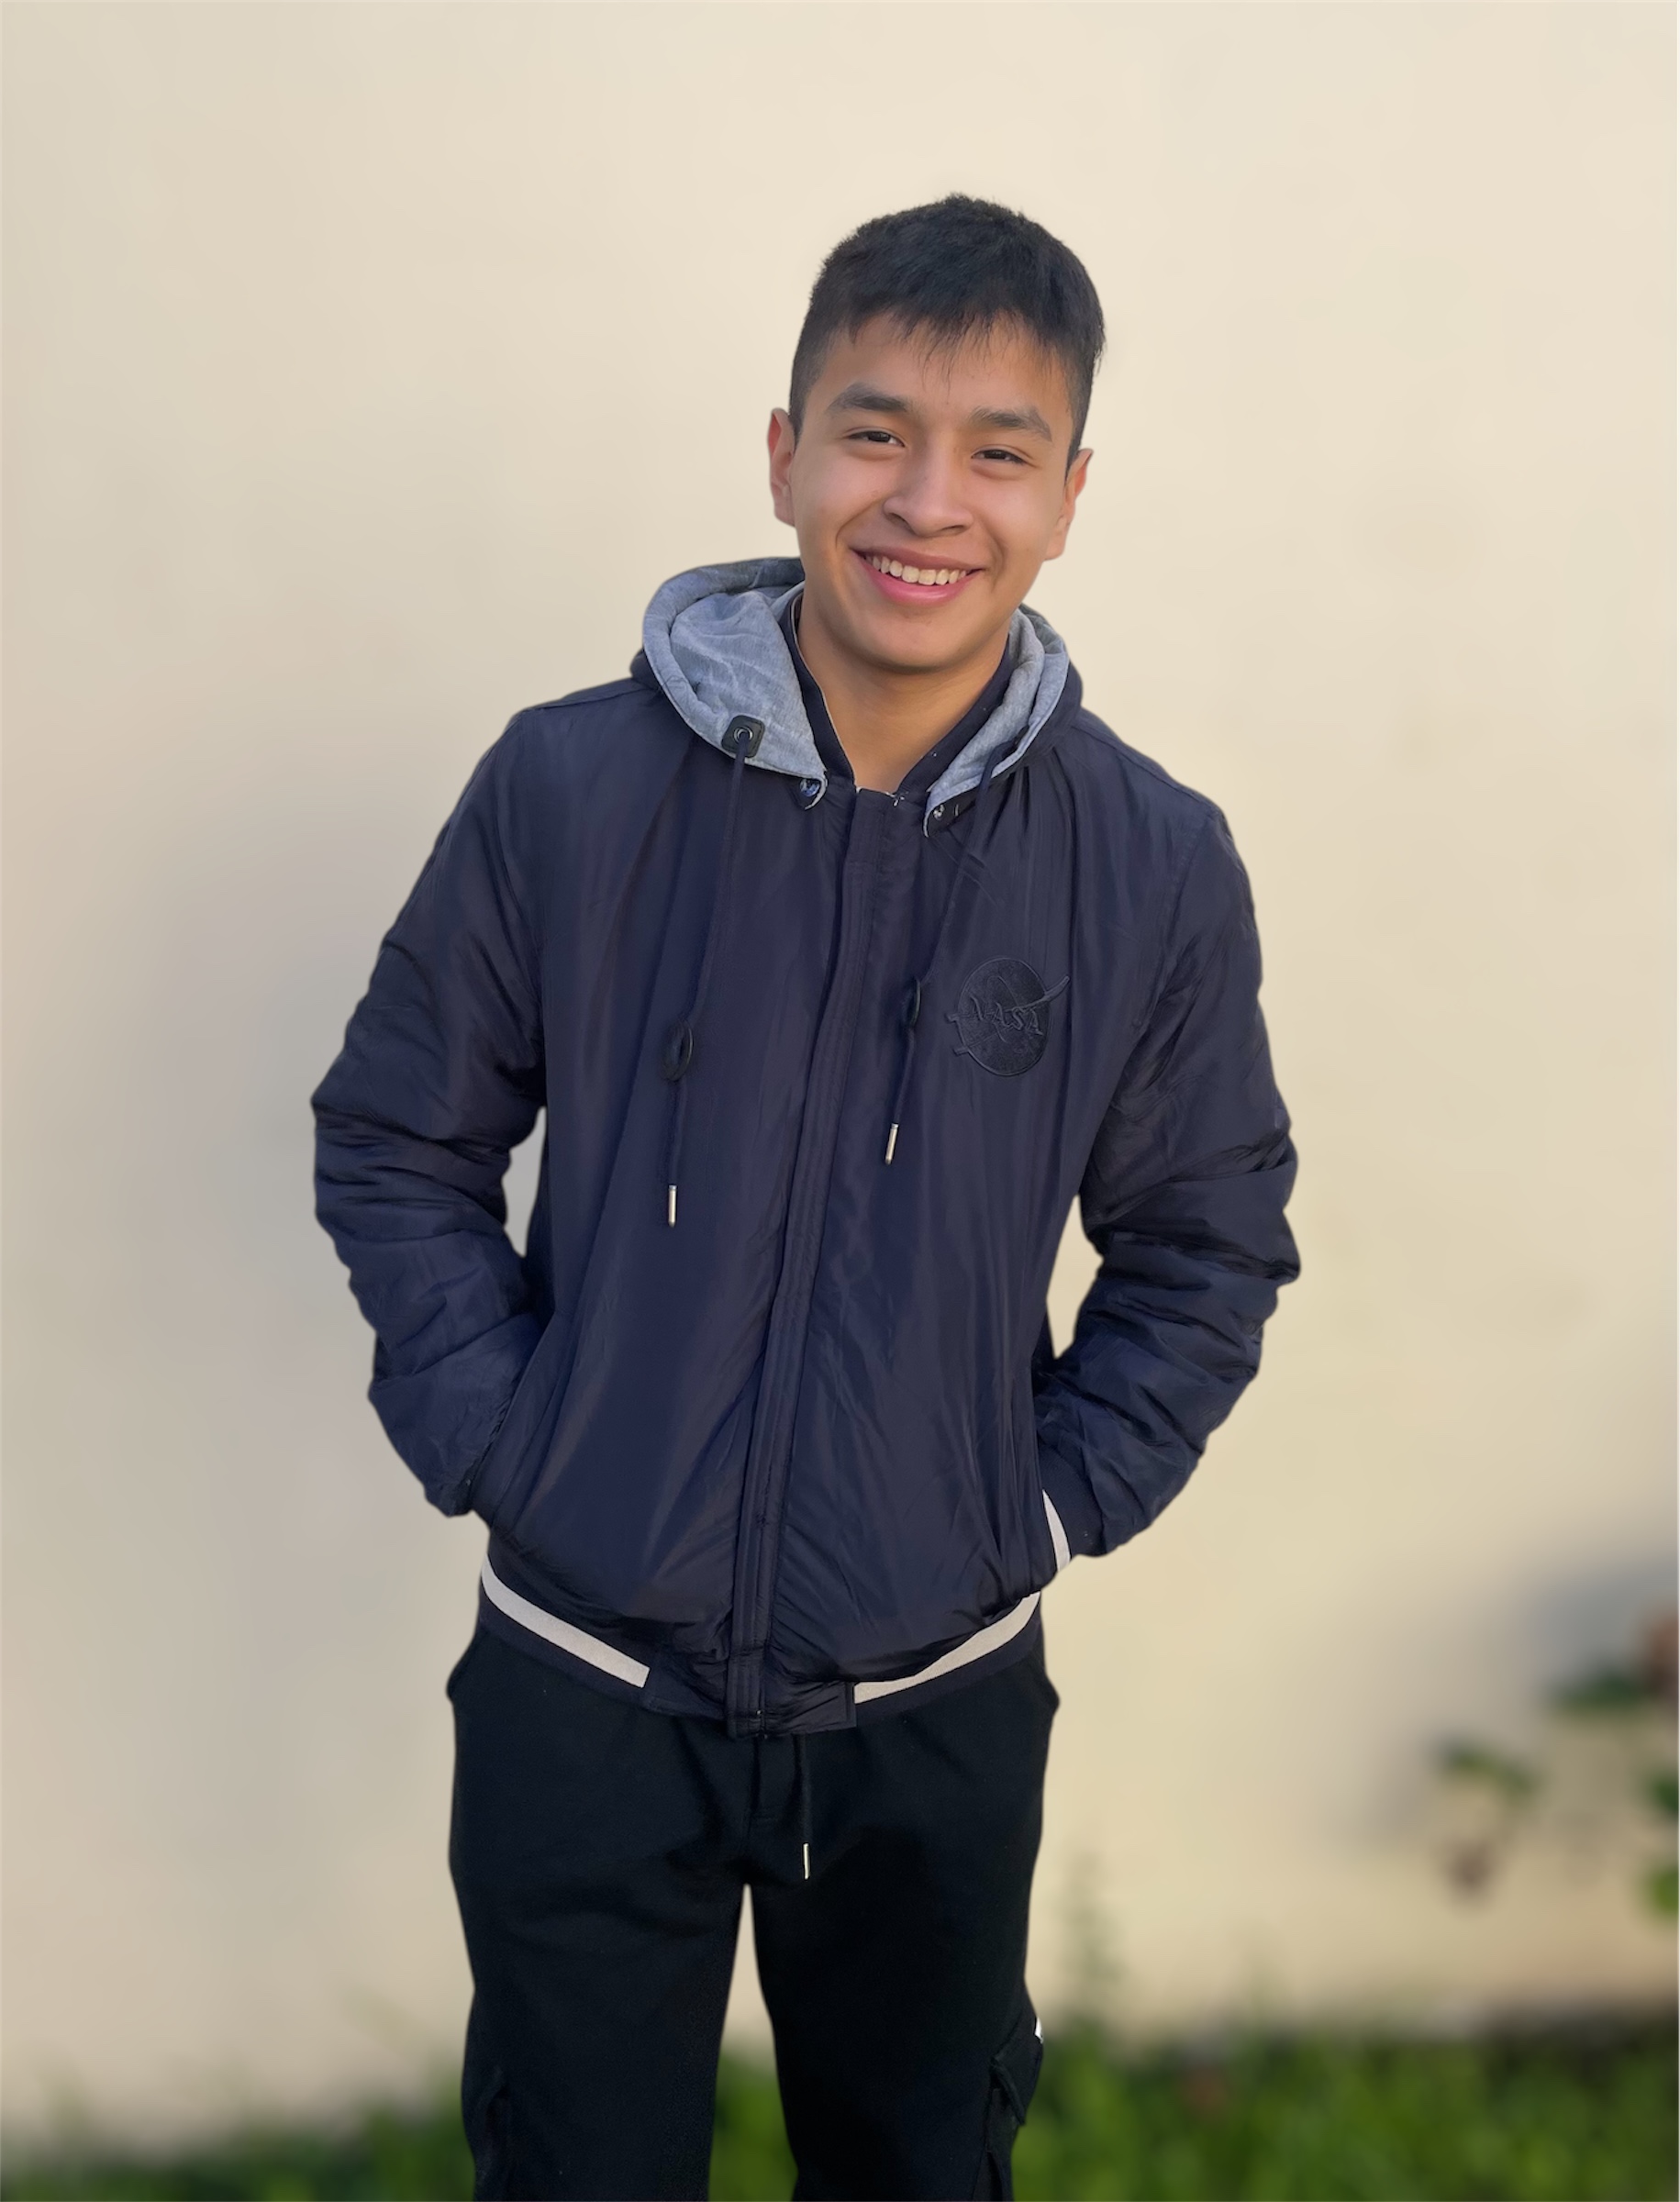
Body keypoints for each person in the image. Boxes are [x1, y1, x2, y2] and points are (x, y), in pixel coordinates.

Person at [313, 195, 1298, 2202]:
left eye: (998, 451)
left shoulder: (1150, 862)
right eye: (874, 432)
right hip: (583, 1684)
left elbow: (1205, 1244)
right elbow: (399, 1136)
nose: (926, 501)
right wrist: (512, 1444)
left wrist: (1031, 1505)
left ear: (1069, 496)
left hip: (932, 1699)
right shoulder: (568, 791)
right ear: (783, 455)